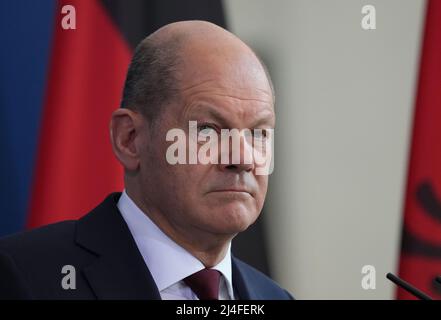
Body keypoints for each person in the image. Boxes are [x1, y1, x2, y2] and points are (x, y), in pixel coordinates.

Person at [0, 20, 293, 300]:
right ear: (130, 139)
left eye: (258, 133)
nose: (242, 158)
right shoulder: (24, 277)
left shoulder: (276, 297)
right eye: (208, 129)